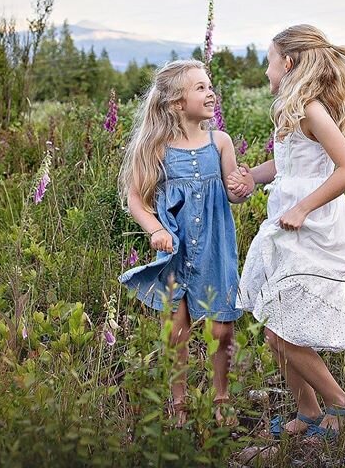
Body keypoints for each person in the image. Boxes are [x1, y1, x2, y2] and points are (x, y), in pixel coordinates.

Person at [228, 24, 345, 440]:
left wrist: (302, 207)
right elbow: (286, 165)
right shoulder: (290, 110)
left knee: (282, 331)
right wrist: (251, 179)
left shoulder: (313, 109)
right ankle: (308, 411)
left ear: (289, 62)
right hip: (289, 227)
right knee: (275, 327)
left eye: (269, 61)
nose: (266, 71)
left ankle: (343, 407)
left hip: (318, 231)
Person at [118, 59, 253, 426]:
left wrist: (243, 187)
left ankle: (221, 398)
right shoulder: (157, 148)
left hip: (214, 246)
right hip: (174, 250)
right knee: (177, 329)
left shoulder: (220, 142)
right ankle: (178, 404)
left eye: (210, 86)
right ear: (177, 103)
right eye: (200, 88)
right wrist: (154, 229)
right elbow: (135, 199)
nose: (210, 93)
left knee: (220, 328)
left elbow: (233, 192)